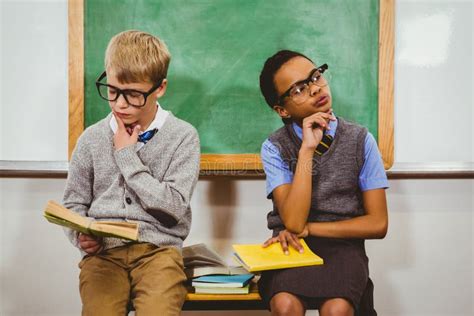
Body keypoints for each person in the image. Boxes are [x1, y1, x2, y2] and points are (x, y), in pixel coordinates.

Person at [62, 30, 200, 315]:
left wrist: (127, 156)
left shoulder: (183, 136)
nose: (120, 104)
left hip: (159, 252)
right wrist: (80, 236)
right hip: (104, 256)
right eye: (112, 91)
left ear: (159, 88)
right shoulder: (91, 138)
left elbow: (173, 206)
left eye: (133, 95)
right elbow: (74, 203)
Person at [258, 50, 389, 316]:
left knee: (337, 309)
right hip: (292, 246)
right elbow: (293, 222)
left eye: (315, 76)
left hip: (344, 247)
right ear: (281, 109)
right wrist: (307, 149)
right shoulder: (274, 147)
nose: (315, 89)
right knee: (285, 306)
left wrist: (310, 229)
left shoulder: (361, 140)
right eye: (299, 90)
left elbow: (378, 224)